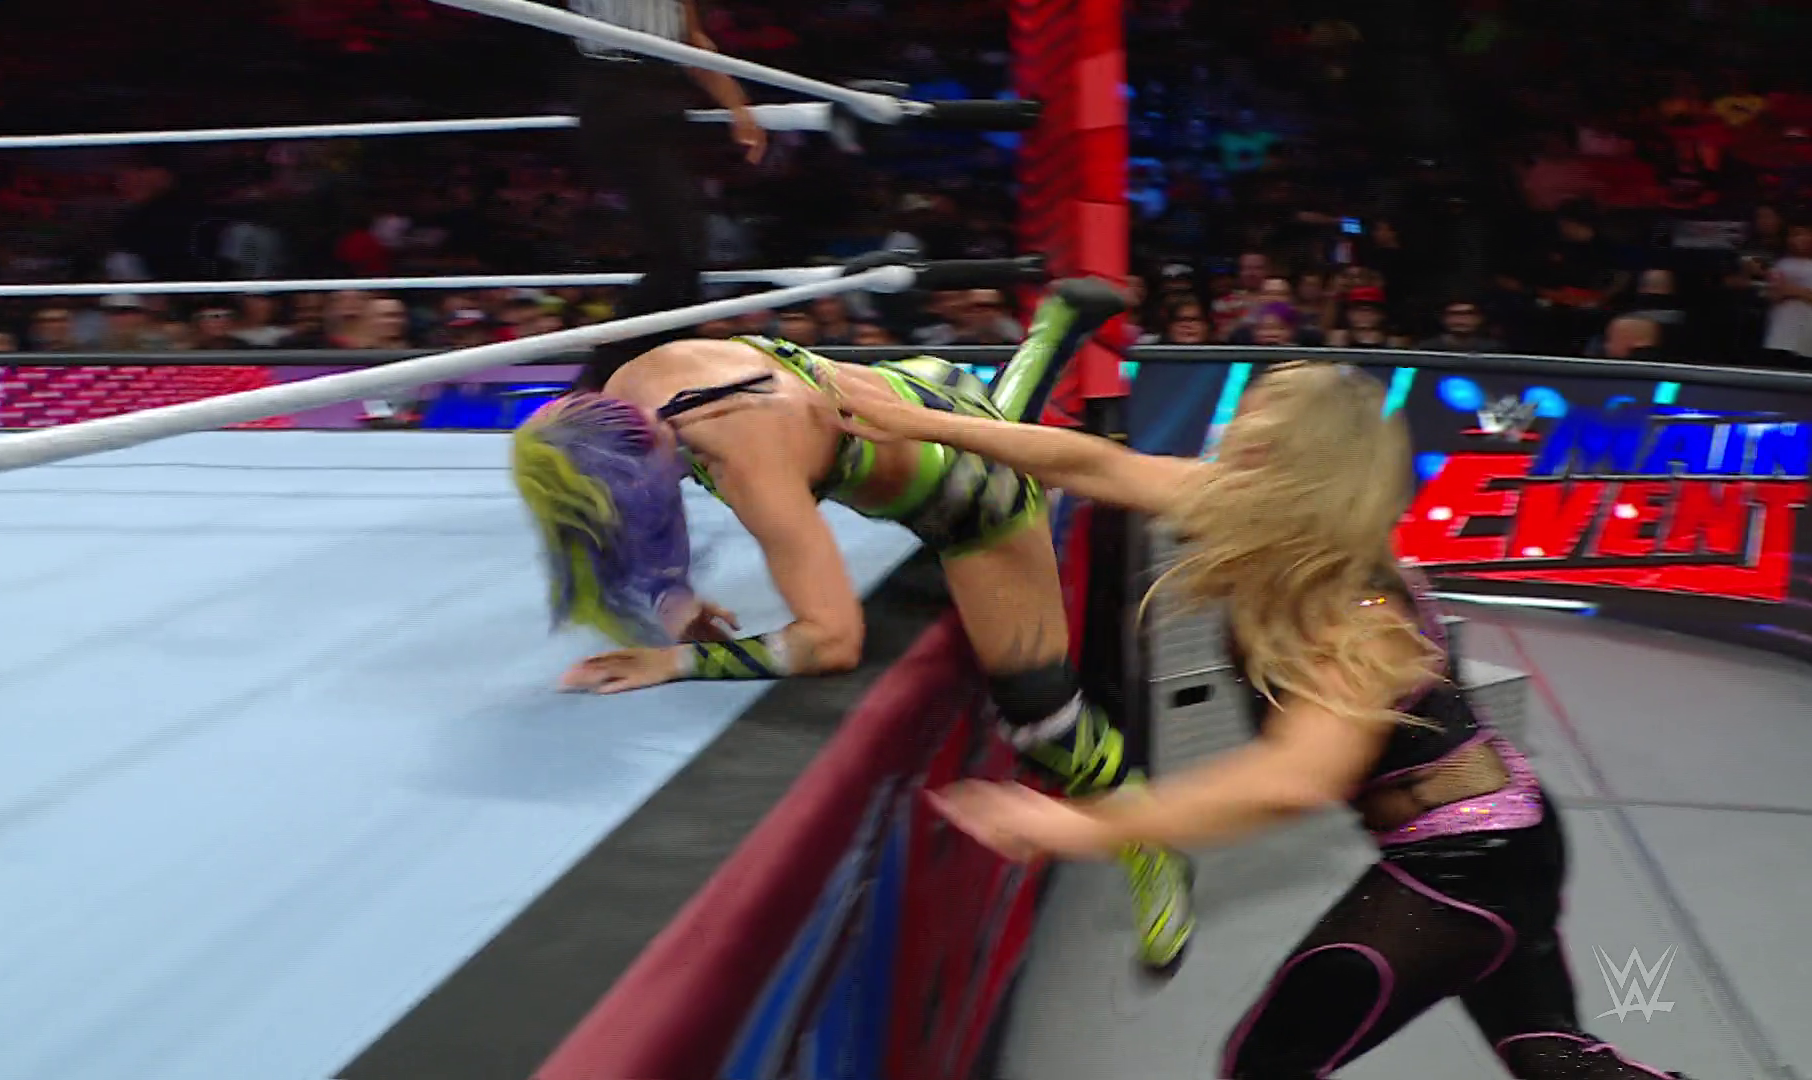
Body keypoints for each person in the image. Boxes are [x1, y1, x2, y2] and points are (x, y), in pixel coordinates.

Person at [834, 362, 1692, 1079]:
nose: (1229, 442)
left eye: (1256, 434)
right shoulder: (1257, 508)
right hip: (1511, 834)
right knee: (1550, 1054)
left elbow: (1294, 776)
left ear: (1299, 462)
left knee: (1268, 1065)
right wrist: (925, 424)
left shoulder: (1346, 607)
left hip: (1463, 865)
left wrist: (1087, 826)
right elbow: (1091, 463)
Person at [510, 279, 1196, 973]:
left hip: (970, 492)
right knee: (975, 415)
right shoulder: (630, 389)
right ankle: (1050, 332)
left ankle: (1152, 840)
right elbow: (643, 495)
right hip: (918, 385)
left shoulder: (748, 460)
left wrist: (675, 662)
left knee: (1038, 710)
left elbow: (831, 640)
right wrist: (673, 595)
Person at [565, 0, 767, 392]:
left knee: (687, 251)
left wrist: (738, 108)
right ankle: (601, 378)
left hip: (665, 99)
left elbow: (693, 41)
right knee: (679, 252)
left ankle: (661, 374)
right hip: (615, 91)